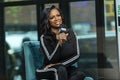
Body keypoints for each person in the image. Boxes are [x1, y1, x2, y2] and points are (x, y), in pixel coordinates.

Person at [36, 5, 86, 80]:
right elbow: (50, 60)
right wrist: (59, 43)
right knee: (60, 69)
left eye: (58, 15)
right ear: (47, 20)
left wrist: (61, 64)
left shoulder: (70, 33)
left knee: (79, 74)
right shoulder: (44, 37)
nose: (56, 19)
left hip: (65, 67)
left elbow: (76, 55)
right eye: (52, 17)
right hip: (47, 69)